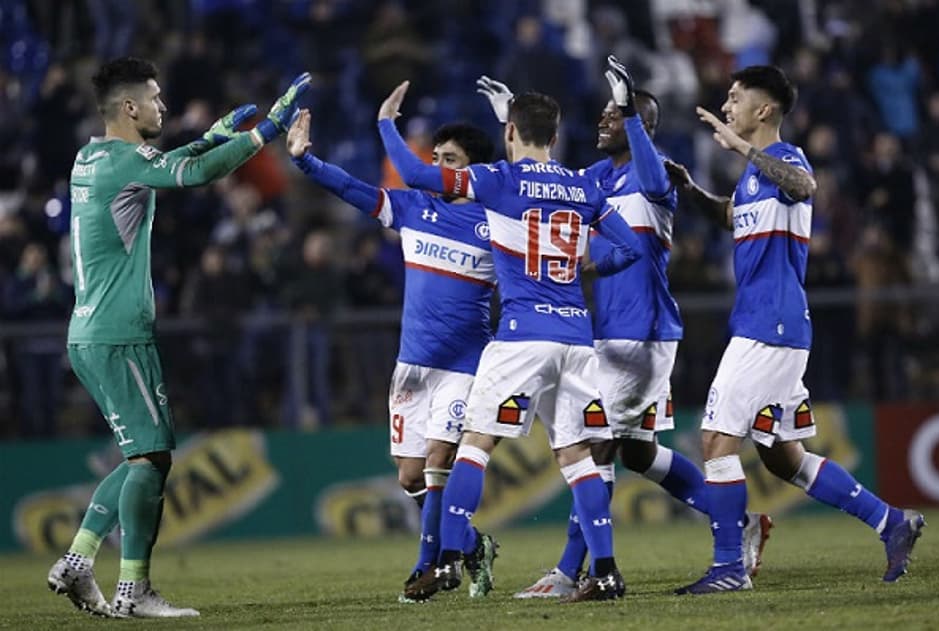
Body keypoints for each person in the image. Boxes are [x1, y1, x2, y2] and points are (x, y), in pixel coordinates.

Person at [475, 58, 773, 600]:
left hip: (642, 331)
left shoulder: (651, 171)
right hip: (601, 332)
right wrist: (510, 123)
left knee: (593, 446)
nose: (604, 121)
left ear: (642, 124)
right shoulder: (589, 179)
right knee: (634, 451)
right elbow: (527, 183)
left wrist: (632, 112)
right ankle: (738, 522)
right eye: (608, 114)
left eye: (619, 115)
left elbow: (660, 183)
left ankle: (570, 573)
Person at [46, 56, 310, 618]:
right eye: (157, 98)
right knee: (152, 458)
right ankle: (132, 591)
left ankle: (79, 559)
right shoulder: (123, 162)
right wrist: (266, 131)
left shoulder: (91, 157)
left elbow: (159, 165)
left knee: (142, 455)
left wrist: (206, 137)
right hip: (119, 334)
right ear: (129, 107)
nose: (163, 106)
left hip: (88, 331)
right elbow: (193, 176)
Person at [378, 80, 645, 603]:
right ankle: (608, 571)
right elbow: (631, 248)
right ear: (557, 134)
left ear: (510, 132)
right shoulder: (582, 186)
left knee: (474, 447)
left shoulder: (499, 179)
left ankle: (451, 559)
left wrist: (387, 123)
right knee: (577, 457)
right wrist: (588, 263)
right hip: (575, 335)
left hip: (522, 336)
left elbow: (412, 174)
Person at [663, 65, 925, 594]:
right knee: (783, 457)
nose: (727, 104)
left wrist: (741, 147)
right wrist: (690, 190)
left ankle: (729, 569)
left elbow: (805, 186)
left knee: (716, 440)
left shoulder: (785, 159)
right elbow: (733, 216)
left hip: (770, 325)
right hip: (772, 326)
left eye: (736, 97)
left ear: (764, 110)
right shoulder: (756, 178)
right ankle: (891, 521)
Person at [286, 110, 499, 600]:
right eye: (437, 158)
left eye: (450, 161)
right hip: (413, 367)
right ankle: (472, 546)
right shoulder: (413, 208)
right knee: (409, 475)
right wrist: (305, 161)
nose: (438, 167)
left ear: (470, 171)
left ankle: (429, 567)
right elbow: (353, 190)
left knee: (437, 465)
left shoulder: (494, 223)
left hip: (464, 366)